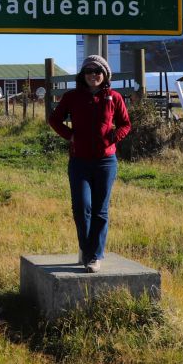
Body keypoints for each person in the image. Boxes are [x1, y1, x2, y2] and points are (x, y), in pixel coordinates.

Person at [48, 54, 131, 273]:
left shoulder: (114, 97)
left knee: (100, 211)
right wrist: (70, 135)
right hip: (79, 162)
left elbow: (125, 124)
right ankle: (86, 249)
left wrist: (115, 136)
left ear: (105, 75)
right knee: (81, 208)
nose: (93, 75)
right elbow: (54, 119)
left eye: (98, 71)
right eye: (88, 71)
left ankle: (95, 256)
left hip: (106, 162)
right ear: (82, 75)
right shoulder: (72, 97)